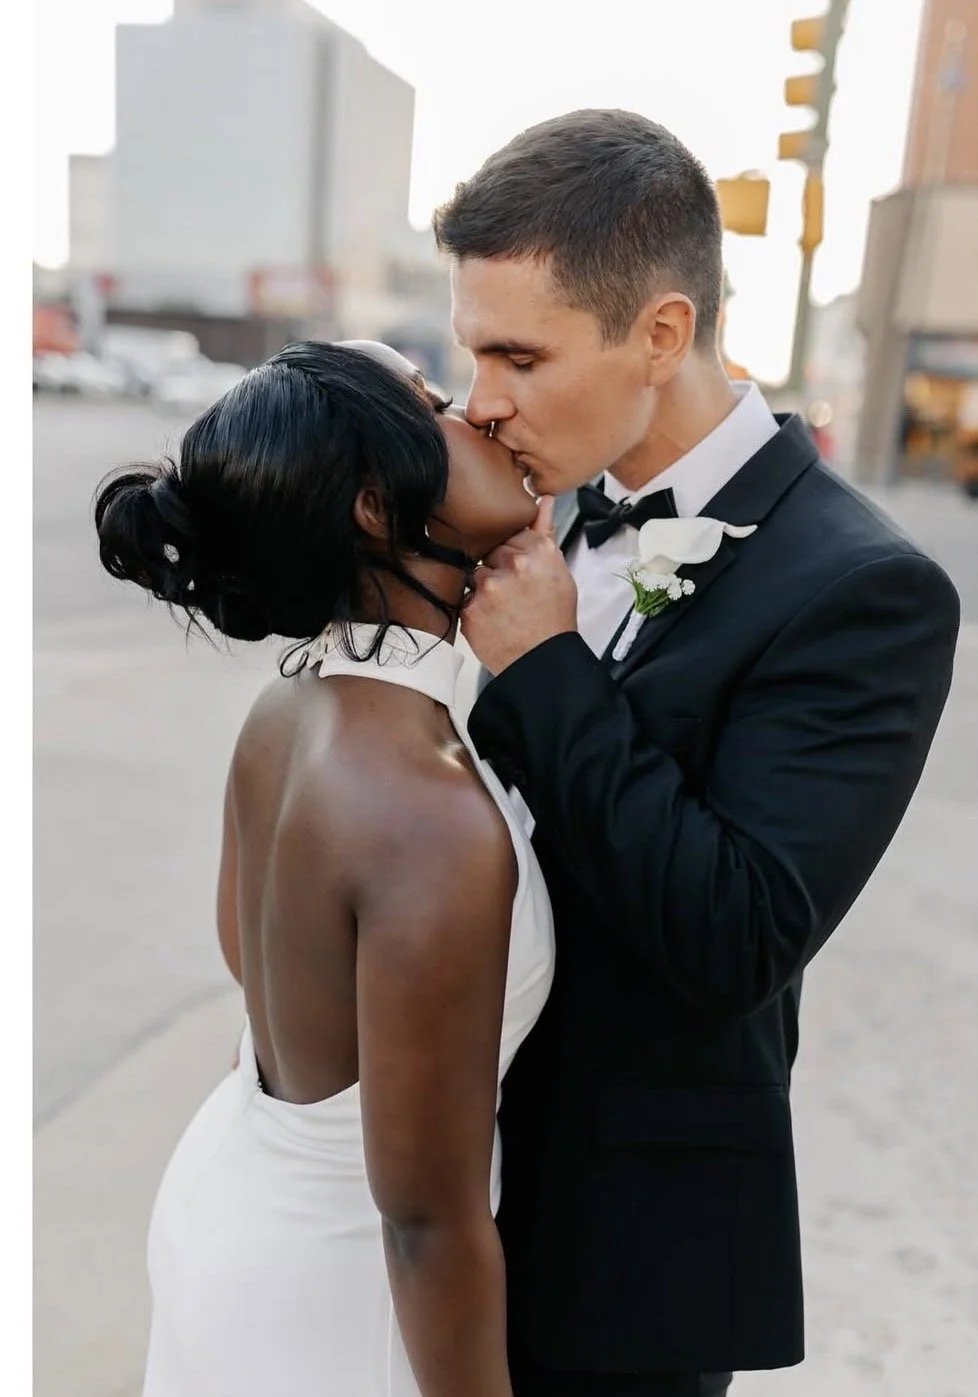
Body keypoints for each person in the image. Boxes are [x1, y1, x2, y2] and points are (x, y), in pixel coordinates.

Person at [432, 109, 961, 1397]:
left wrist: (549, 670)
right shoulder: (530, 505)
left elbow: (737, 930)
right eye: (471, 352)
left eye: (518, 354)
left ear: (661, 333)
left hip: (623, 1253)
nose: (480, 399)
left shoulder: (867, 593)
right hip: (433, 1196)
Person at [93, 339, 554, 1397]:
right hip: (337, 1296)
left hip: (234, 1198)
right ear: (373, 508)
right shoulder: (423, 812)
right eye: (434, 403)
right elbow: (428, 1223)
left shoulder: (285, 710)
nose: (478, 416)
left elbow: (266, 986)